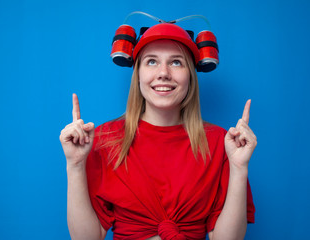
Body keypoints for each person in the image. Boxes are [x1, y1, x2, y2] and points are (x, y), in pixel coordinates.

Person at [60, 22, 257, 240]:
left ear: (190, 75)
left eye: (176, 62)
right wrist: (75, 166)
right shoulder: (105, 139)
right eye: (151, 61)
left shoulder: (222, 143)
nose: (163, 73)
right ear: (138, 74)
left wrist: (239, 168)